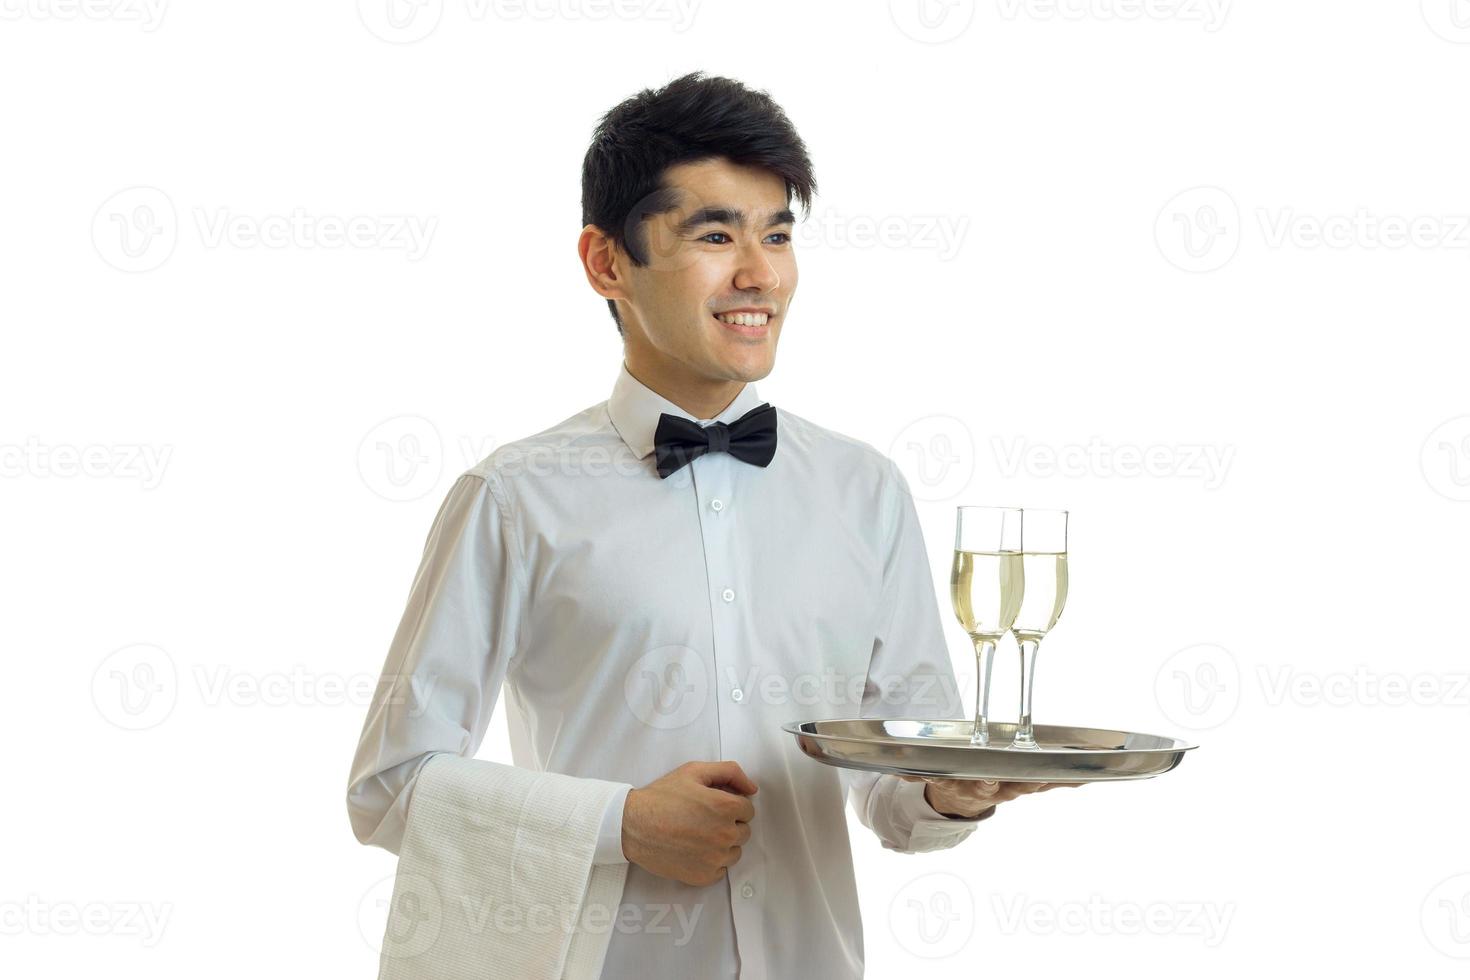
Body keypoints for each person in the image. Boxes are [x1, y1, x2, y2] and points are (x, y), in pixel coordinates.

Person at [346, 70, 1077, 979]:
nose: (759, 273)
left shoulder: (865, 489)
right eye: (716, 233)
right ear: (606, 262)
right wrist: (620, 825)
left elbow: (897, 795)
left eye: (777, 234)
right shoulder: (513, 496)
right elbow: (389, 786)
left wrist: (951, 792)